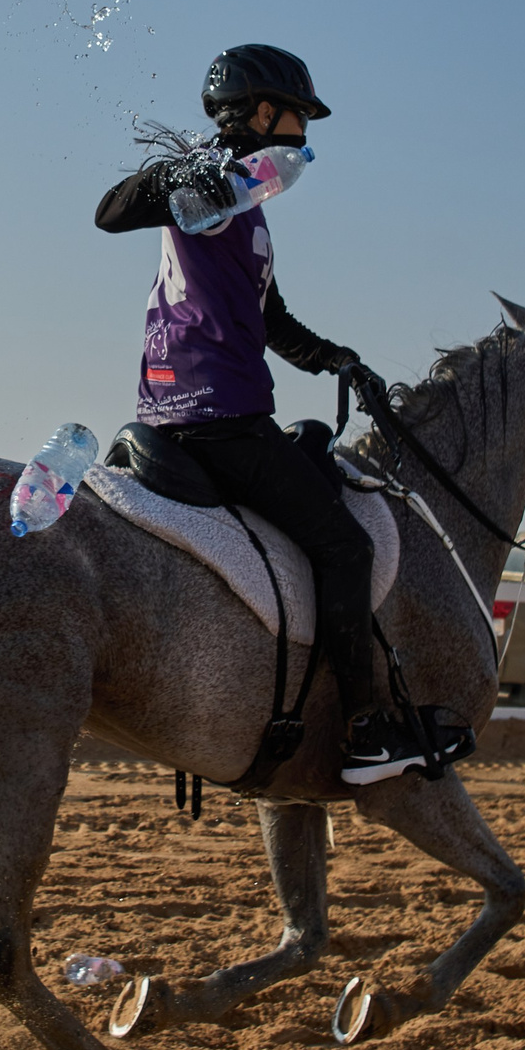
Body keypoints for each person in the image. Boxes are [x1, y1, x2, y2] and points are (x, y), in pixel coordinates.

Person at [94, 42, 425, 785]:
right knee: (344, 548)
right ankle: (367, 731)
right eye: (298, 119)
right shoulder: (209, 184)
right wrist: (174, 173)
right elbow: (108, 212)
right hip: (216, 416)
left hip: (220, 410)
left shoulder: (248, 211)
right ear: (260, 113)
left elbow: (271, 317)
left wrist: (337, 358)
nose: (305, 139)